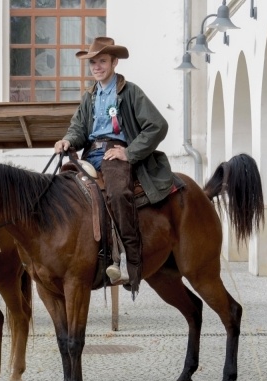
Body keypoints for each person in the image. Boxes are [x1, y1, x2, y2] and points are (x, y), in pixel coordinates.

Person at [54, 37, 173, 297]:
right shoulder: (90, 96)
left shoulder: (130, 92)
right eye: (93, 62)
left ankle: (132, 262)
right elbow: (78, 128)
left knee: (118, 193)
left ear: (114, 62)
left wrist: (129, 152)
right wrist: (67, 140)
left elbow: (158, 125)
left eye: (102, 61)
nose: (97, 66)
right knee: (63, 192)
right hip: (89, 154)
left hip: (115, 154)